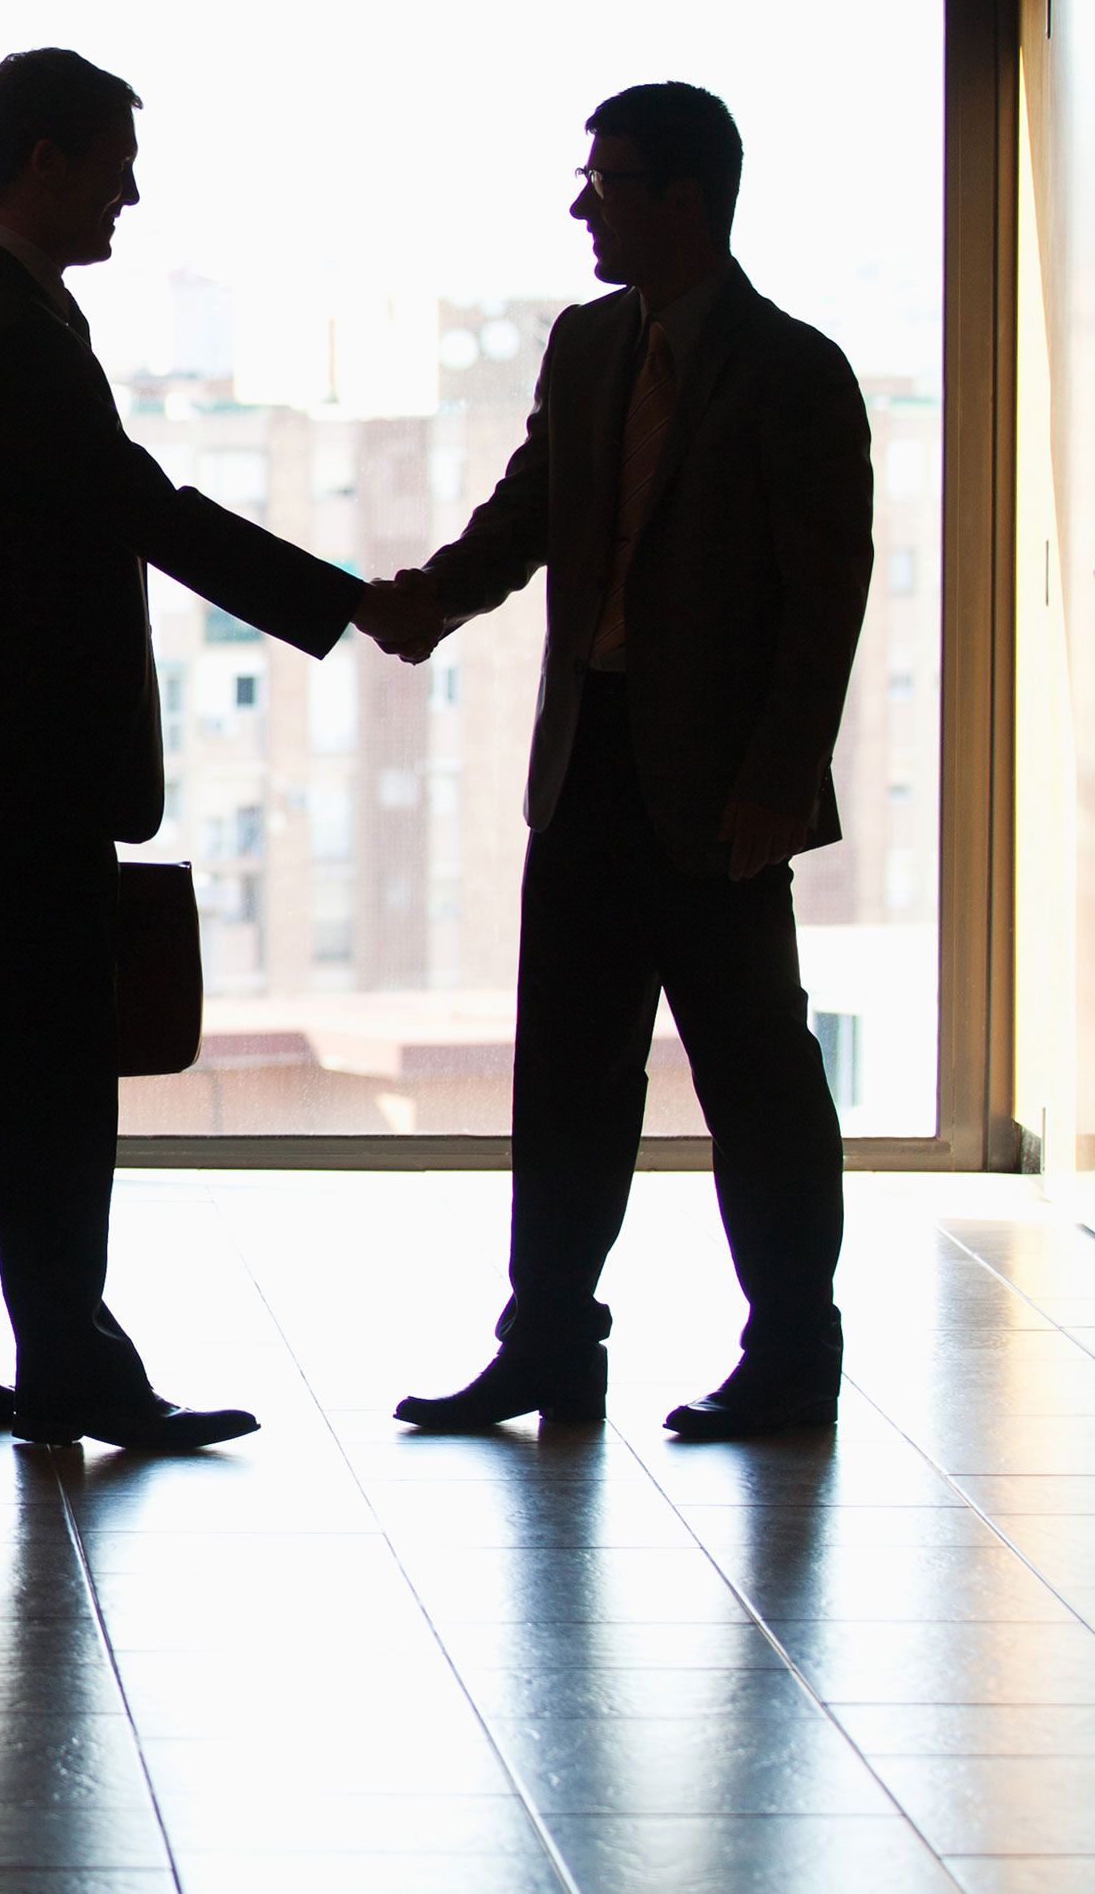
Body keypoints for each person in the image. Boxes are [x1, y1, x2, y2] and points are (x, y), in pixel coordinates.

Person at [0, 48, 423, 1451]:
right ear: (45, 161)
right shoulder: (2, 324)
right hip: (15, 780)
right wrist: (345, 599)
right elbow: (145, 508)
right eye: (116, 157)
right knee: (47, 1088)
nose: (132, 190)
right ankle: (67, 1365)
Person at [370, 82, 871, 1441]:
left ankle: (793, 1351)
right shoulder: (587, 346)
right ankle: (548, 1347)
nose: (581, 204)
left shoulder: (793, 370)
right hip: (587, 763)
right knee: (569, 1069)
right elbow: (537, 505)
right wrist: (431, 598)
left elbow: (829, 597)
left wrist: (779, 778)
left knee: (754, 1075)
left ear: (684, 200)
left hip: (721, 794)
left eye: (606, 180)